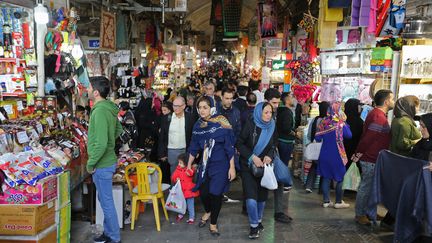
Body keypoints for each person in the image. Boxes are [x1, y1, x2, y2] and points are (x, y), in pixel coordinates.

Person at [186, 96, 236, 236]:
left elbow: (229, 146)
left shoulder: (222, 121)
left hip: (221, 164)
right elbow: (194, 146)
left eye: (205, 107)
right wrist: (189, 164)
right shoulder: (198, 125)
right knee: (203, 192)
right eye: (199, 107)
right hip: (205, 164)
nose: (202, 110)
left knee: (215, 193)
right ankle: (208, 211)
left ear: (212, 108)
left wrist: (232, 167)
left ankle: (213, 223)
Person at [86, 76, 123, 243]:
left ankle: (113, 237)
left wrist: (91, 162)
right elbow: (118, 129)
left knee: (106, 202)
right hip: (107, 160)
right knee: (104, 199)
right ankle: (109, 233)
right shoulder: (108, 108)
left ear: (95, 92)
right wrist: (109, 142)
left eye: (88, 87)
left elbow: (100, 144)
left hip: (102, 163)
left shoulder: (100, 111)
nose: (86, 90)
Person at [353, 89, 394, 225]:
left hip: (373, 157)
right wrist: (358, 154)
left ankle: (369, 212)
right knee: (366, 187)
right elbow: (367, 139)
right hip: (370, 158)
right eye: (392, 99)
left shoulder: (377, 114)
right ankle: (360, 214)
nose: (393, 101)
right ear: (386, 101)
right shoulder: (378, 117)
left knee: (370, 188)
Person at [237, 102, 277, 239]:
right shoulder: (250, 124)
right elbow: (239, 143)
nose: (268, 115)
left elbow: (273, 145)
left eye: (270, 112)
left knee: (261, 196)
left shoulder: (272, 126)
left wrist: (269, 157)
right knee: (251, 198)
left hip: (264, 168)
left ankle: (259, 221)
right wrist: (252, 157)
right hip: (248, 166)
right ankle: (253, 225)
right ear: (259, 112)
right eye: (265, 112)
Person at [315, 102, 352, 209]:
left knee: (326, 177)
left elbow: (317, 138)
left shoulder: (323, 121)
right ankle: (338, 201)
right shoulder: (340, 123)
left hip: (324, 154)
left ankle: (326, 201)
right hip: (338, 155)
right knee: (340, 178)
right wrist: (344, 122)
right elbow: (349, 135)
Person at [264, 88, 292, 223]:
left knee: (279, 180)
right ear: (266, 101)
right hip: (261, 155)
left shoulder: (275, 114)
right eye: (274, 103)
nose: (276, 106)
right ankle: (251, 208)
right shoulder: (258, 115)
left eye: (277, 103)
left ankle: (279, 212)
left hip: (274, 153)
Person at [158, 97, 194, 175]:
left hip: (186, 150)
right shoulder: (166, 118)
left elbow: (193, 136)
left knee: (186, 174)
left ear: (184, 106)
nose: (176, 108)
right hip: (172, 150)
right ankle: (174, 187)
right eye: (174, 106)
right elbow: (162, 137)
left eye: (178, 106)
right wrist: (162, 153)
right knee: (174, 174)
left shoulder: (190, 118)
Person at [305, 101, 330, 193]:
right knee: (324, 167)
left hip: (315, 145)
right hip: (325, 147)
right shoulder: (329, 121)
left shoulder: (315, 119)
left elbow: (308, 134)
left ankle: (309, 185)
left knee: (314, 165)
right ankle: (322, 189)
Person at [171, 153, 199, 224]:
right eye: (179, 162)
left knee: (190, 205)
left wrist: (189, 167)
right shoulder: (178, 169)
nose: (179, 164)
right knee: (181, 203)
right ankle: (181, 214)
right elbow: (173, 176)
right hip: (181, 190)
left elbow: (191, 173)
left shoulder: (189, 169)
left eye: (181, 163)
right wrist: (175, 178)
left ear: (186, 163)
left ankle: (191, 217)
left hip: (189, 190)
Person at [277, 92, 296, 191]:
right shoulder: (287, 112)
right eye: (292, 97)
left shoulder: (280, 111)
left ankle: (279, 182)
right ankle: (284, 184)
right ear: (287, 100)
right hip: (285, 141)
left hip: (280, 140)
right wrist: (293, 133)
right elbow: (286, 127)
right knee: (284, 163)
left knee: (281, 162)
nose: (293, 99)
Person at [343, 98, 364, 170]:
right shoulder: (359, 122)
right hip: (354, 152)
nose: (360, 108)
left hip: (343, 151)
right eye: (359, 106)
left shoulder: (343, 121)